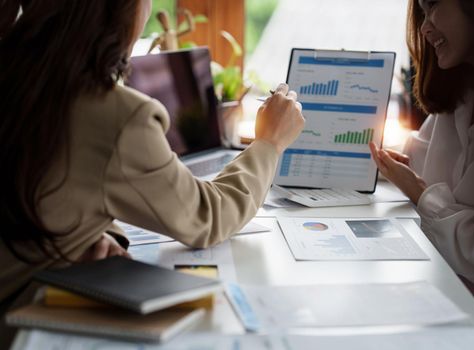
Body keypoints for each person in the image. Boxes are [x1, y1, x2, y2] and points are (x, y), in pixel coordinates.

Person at [0, 0, 304, 345]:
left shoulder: (18, 75)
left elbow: (56, 186)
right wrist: (268, 143)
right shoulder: (116, 114)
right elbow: (208, 217)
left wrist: (87, 237)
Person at [369, 0, 474, 342]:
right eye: (421, 13)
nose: (424, 28)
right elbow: (422, 160)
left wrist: (421, 194)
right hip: (442, 294)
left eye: (434, 6)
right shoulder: (462, 94)